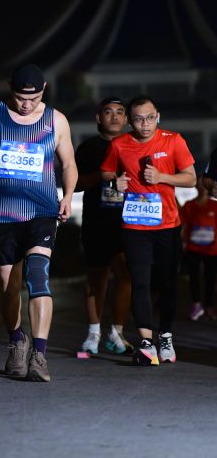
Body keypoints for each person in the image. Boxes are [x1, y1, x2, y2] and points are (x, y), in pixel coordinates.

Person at [0, 63, 78, 382]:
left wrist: (67, 196)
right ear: (10, 89)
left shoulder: (56, 120)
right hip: (2, 214)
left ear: (43, 91)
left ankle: (39, 353)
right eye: (20, 98)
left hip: (42, 211)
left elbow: (69, 163)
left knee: (38, 276)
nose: (26, 105)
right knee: (8, 286)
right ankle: (17, 341)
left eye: (33, 98)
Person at [100, 95, 196, 366]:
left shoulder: (173, 141)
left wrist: (162, 177)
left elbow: (191, 177)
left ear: (158, 117)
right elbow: (106, 172)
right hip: (134, 224)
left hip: (167, 224)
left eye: (150, 118)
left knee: (166, 283)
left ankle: (165, 336)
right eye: (139, 119)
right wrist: (115, 181)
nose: (145, 124)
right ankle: (146, 342)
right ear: (130, 121)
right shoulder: (119, 144)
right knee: (139, 281)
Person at [75, 97, 133, 356]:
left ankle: (116, 333)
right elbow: (75, 184)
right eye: (108, 112)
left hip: (128, 221)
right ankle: (93, 333)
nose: (115, 116)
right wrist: (100, 176)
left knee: (126, 274)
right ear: (98, 118)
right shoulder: (88, 148)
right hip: (97, 222)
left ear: (127, 119)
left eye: (120, 112)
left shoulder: (135, 145)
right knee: (96, 278)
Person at [181, 175, 217, 321]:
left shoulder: (214, 206)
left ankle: (208, 306)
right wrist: (183, 243)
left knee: (210, 277)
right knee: (194, 276)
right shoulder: (189, 205)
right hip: (193, 248)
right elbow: (183, 226)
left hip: (212, 249)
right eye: (199, 184)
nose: (201, 187)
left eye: (204, 184)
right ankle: (196, 304)